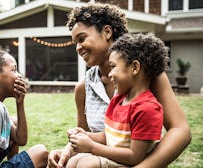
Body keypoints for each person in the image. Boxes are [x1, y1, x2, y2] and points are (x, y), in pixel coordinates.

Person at [48, 3, 191, 168]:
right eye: (75, 43)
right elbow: (88, 140)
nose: (78, 48)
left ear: (107, 32)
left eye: (82, 39)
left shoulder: (148, 75)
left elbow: (181, 131)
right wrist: (66, 152)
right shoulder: (83, 88)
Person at [65, 33, 168, 167]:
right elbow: (110, 136)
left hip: (131, 163)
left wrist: (92, 147)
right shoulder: (118, 101)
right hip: (115, 158)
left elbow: (134, 156)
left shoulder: (147, 109)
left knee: (87, 164)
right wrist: (86, 136)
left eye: (113, 67)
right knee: (74, 161)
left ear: (135, 68)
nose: (110, 73)